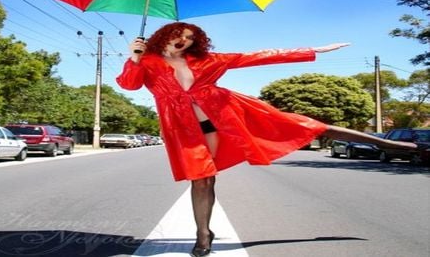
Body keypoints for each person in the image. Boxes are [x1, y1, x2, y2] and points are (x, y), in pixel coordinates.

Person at [116, 22, 416, 257]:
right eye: (179, 35)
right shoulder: (148, 62)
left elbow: (258, 56)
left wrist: (314, 50)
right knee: (203, 179)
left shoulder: (210, 60)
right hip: (185, 130)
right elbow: (129, 85)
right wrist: (134, 57)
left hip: (229, 116)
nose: (184, 41)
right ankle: (203, 235)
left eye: (191, 37)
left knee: (303, 124)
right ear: (165, 36)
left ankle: (383, 143)